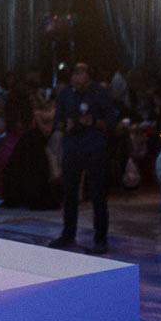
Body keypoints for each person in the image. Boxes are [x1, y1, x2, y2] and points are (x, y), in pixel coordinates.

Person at [49, 62, 117, 254]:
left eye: (80, 73)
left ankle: (100, 239)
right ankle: (68, 234)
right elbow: (57, 120)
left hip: (94, 148)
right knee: (69, 193)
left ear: (88, 75)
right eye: (74, 73)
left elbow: (112, 121)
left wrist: (93, 122)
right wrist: (66, 125)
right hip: (72, 148)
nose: (75, 76)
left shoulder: (100, 93)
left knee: (97, 194)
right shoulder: (66, 94)